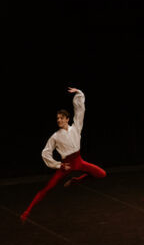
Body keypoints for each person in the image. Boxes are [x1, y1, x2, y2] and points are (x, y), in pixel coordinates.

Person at [21, 87, 106, 222]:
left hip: (79, 160)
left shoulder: (76, 128)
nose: (59, 120)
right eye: (57, 118)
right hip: (66, 165)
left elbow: (80, 111)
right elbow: (45, 153)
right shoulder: (55, 137)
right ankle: (27, 211)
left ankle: (77, 180)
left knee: (102, 174)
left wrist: (79, 93)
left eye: (61, 118)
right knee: (48, 188)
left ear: (67, 119)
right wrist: (59, 164)